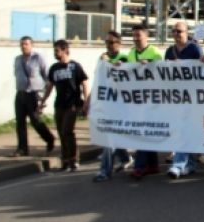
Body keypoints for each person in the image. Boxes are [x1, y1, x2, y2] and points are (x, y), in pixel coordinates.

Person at [39, 40, 89, 172]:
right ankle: (65, 160)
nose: (55, 53)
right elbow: (50, 86)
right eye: (54, 50)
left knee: (67, 131)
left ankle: (74, 159)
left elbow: (84, 82)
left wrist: (86, 101)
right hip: (59, 104)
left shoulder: (75, 66)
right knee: (61, 133)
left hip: (72, 104)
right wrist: (43, 101)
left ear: (65, 50)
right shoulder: (54, 68)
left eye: (57, 50)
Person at [164, 21, 204, 179]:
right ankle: (190, 164)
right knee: (183, 129)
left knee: (186, 129)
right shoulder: (169, 51)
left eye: (179, 31)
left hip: (192, 96)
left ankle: (178, 164)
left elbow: (202, 68)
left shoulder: (194, 48)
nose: (176, 34)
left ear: (187, 32)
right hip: (176, 96)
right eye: (174, 31)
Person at [93, 31, 133, 182]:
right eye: (106, 42)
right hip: (108, 103)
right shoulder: (102, 58)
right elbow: (99, 79)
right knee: (114, 136)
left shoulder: (123, 58)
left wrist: (109, 64)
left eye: (111, 42)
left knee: (109, 138)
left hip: (121, 105)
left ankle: (104, 171)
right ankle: (125, 158)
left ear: (119, 44)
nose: (108, 45)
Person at [128, 24, 163, 179]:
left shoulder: (154, 52)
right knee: (145, 131)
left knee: (143, 131)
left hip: (152, 97)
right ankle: (153, 164)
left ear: (146, 36)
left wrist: (149, 66)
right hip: (137, 98)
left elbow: (162, 72)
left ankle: (139, 166)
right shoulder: (131, 53)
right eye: (134, 35)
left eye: (138, 35)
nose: (135, 39)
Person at [12, 36, 55, 157]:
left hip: (34, 94)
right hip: (21, 93)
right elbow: (16, 74)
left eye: (26, 44)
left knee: (35, 121)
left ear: (31, 45)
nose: (23, 46)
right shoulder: (17, 59)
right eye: (22, 44)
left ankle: (49, 139)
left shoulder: (38, 58)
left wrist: (43, 95)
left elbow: (47, 76)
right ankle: (22, 148)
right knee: (20, 122)